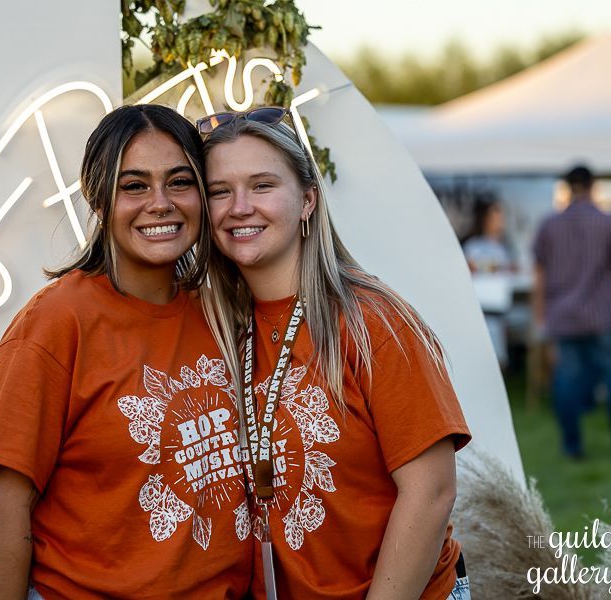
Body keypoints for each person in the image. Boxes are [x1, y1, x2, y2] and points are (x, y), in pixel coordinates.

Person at [0, 105, 252, 600]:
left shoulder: (221, 311)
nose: (161, 203)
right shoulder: (55, 325)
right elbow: (6, 502)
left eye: (180, 181)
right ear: (98, 197)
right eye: (135, 186)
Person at [198, 108, 472, 599]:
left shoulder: (374, 323)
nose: (239, 207)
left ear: (307, 200)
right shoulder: (219, 326)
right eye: (220, 190)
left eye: (262, 185)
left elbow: (431, 492)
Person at [532, 165, 611, 459]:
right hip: (601, 314)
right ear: (592, 186)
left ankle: (572, 446)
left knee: (566, 380)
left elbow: (539, 270)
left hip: (563, 316)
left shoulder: (549, 224)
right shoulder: (609, 221)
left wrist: (540, 316)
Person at [462, 200, 514, 369]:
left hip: (500, 304)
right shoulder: (473, 245)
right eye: (495, 218)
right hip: (481, 305)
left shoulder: (504, 246)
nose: (499, 222)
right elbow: (469, 267)